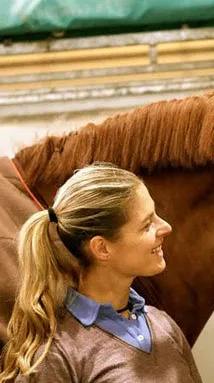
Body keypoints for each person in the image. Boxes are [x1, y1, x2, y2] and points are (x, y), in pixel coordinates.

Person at [0, 163, 202, 383]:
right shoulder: (58, 355)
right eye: (146, 225)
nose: (166, 227)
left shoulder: (164, 325)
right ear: (102, 248)